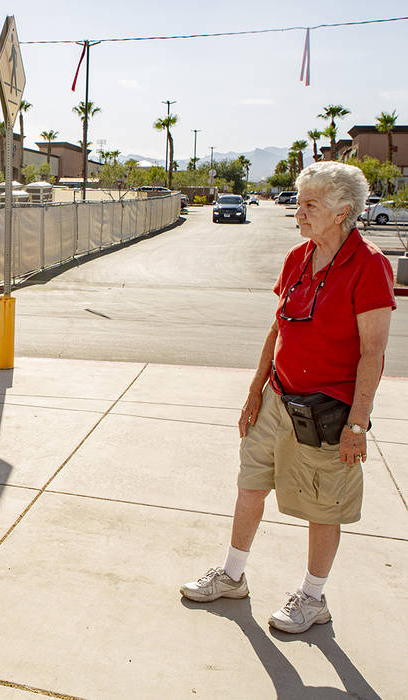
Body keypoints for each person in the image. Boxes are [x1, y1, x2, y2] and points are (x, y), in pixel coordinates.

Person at [180, 161, 396, 633]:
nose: (298, 211)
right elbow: (278, 327)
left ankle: (313, 598)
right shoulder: (297, 257)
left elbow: (373, 353)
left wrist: (357, 424)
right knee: (250, 484)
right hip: (278, 399)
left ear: (342, 212)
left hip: (328, 412)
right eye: (299, 202)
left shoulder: (370, 266)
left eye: (309, 204)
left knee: (324, 506)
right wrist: (254, 392)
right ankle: (233, 575)